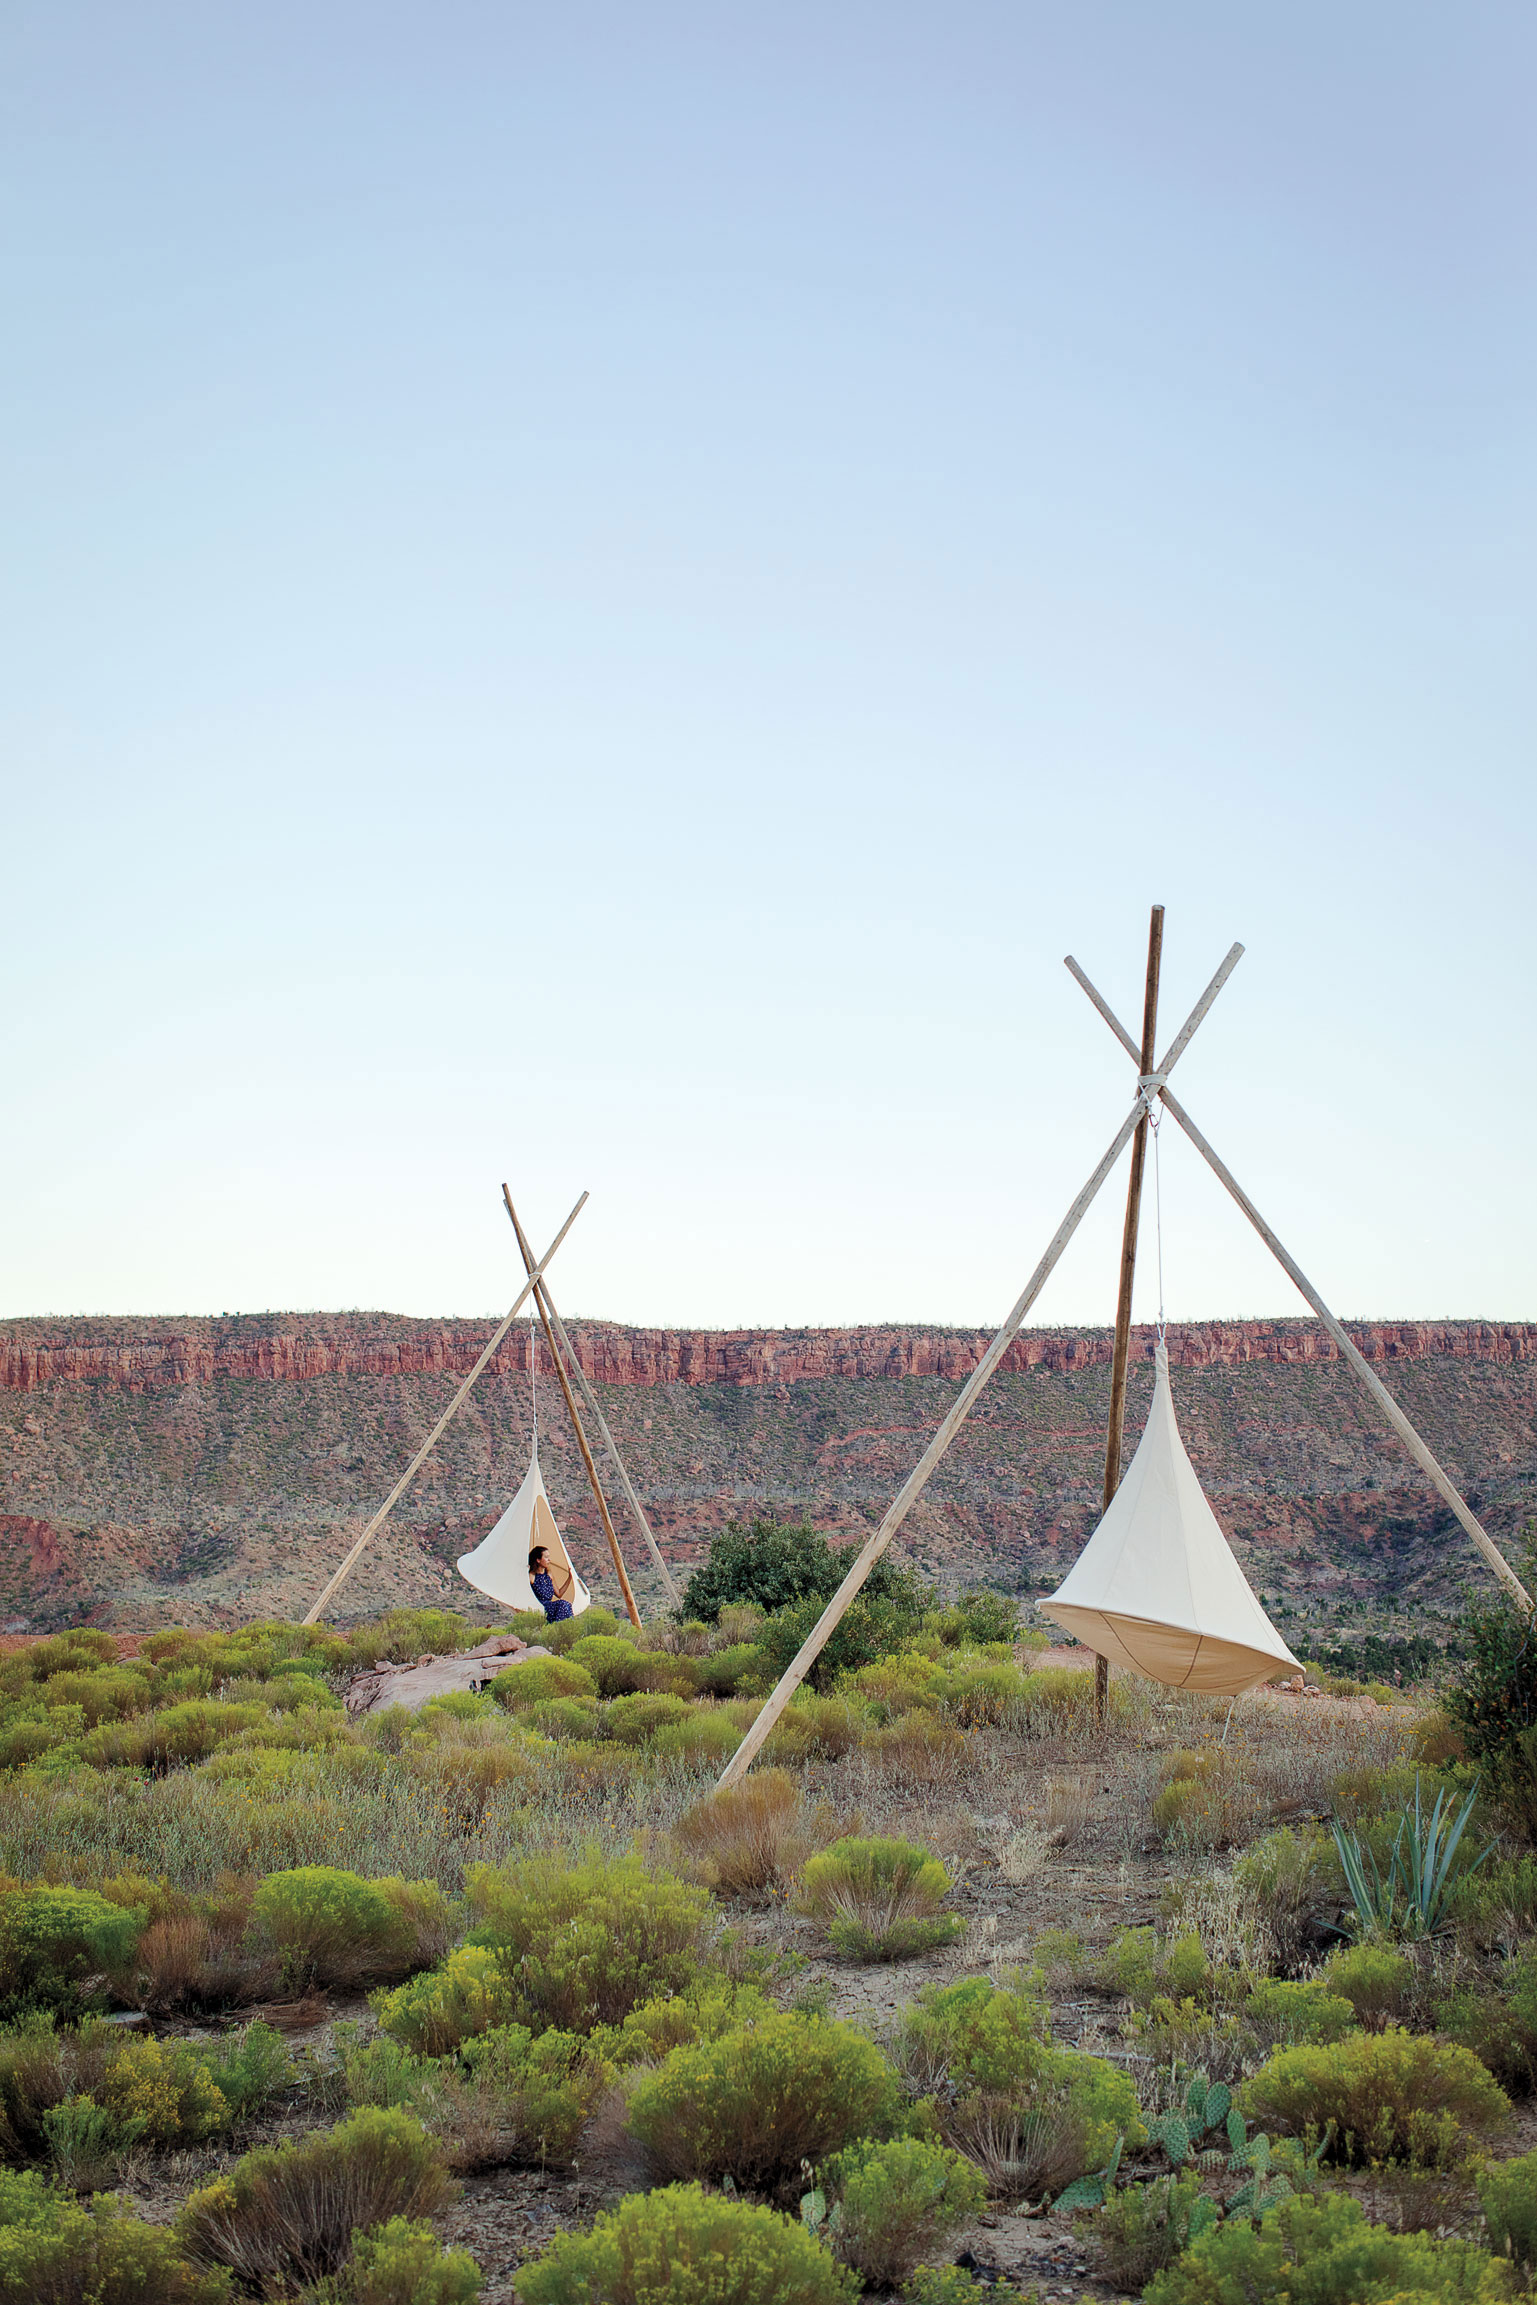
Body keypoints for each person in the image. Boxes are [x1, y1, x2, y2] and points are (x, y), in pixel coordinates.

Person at [529, 1544, 575, 1623]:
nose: (549, 1560)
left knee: (567, 1604)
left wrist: (569, 1578)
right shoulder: (532, 1577)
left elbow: (559, 1594)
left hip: (551, 1607)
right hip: (540, 1607)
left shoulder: (549, 1576)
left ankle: (568, 1628)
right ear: (538, 1560)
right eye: (546, 1557)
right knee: (562, 1604)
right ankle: (560, 1628)